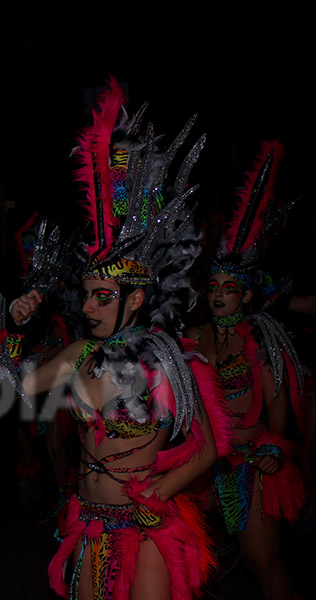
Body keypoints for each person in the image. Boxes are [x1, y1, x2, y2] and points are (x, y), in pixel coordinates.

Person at [0, 79, 227, 600]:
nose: (86, 306)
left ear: (137, 298)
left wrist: (160, 492)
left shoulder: (165, 363)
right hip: (87, 522)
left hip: (146, 527)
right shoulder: (80, 353)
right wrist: (14, 331)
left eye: (101, 295)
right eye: (85, 293)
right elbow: (19, 388)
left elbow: (205, 449)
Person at [186, 140, 304, 600]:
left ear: (246, 296)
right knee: (190, 564)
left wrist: (273, 451)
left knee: (262, 564)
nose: (218, 295)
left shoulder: (263, 343)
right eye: (213, 286)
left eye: (229, 288)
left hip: (246, 466)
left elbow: (278, 425)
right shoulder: (191, 339)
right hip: (198, 463)